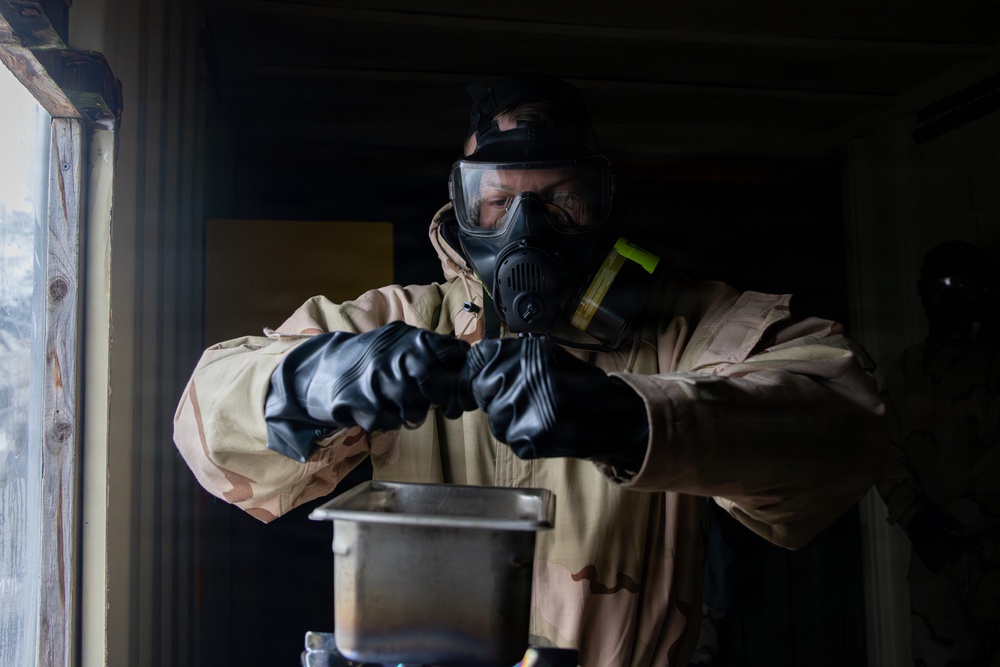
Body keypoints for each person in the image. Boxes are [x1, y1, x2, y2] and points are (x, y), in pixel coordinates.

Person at [173, 74, 887, 667]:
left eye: (559, 200)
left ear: (601, 206)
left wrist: (630, 417)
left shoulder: (683, 327)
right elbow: (205, 423)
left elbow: (843, 420)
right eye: (498, 199)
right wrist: (317, 380)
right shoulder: (405, 320)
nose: (526, 229)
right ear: (462, 207)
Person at [876, 240, 1000, 667]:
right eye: (939, 285)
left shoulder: (992, 365)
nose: (949, 296)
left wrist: (962, 521)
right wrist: (913, 517)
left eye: (960, 284)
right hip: (933, 560)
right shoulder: (906, 370)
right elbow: (885, 451)